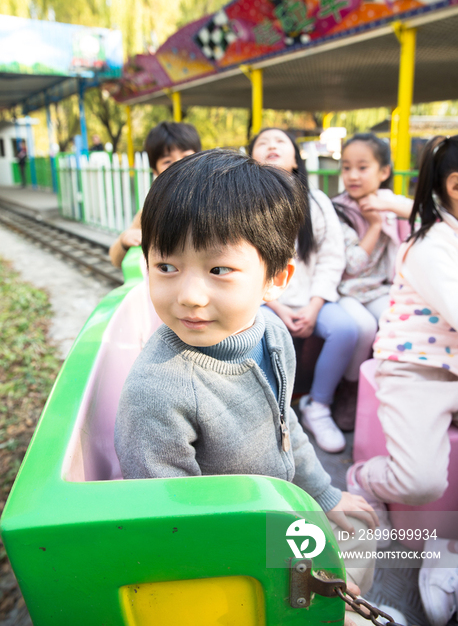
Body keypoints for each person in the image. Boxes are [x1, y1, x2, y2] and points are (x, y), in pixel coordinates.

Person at [115, 149, 380, 598]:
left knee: (364, 538)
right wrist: (302, 569)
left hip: (277, 514)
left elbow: (283, 422)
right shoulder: (158, 392)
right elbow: (177, 529)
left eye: (219, 270)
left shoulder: (272, 332)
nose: (190, 296)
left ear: (276, 277)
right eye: (166, 267)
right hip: (234, 564)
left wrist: (323, 492)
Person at [347, 136, 458, 521]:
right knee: (421, 483)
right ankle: (363, 477)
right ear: (455, 187)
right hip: (417, 371)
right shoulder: (431, 244)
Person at [249, 128, 358, 453]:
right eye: (262, 142)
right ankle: (269, 415)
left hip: (314, 298)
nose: (271, 145)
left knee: (346, 329)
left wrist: (314, 306)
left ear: (296, 158)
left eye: (280, 141)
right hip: (266, 301)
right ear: (249, 158)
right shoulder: (242, 205)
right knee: (264, 332)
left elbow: (331, 258)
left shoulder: (317, 201)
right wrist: (277, 305)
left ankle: (318, 406)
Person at [331, 133, 413, 431]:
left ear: (384, 172)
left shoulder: (393, 205)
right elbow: (351, 267)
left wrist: (391, 209)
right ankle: (349, 391)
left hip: (379, 288)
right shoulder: (337, 209)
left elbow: (430, 221)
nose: (352, 175)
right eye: (346, 167)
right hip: (346, 291)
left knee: (395, 321)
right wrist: (376, 225)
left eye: (362, 167)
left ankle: (395, 394)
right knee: (364, 327)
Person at [109, 121, 201, 268]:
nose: (179, 165)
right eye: (168, 161)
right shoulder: (153, 210)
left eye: (187, 157)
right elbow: (115, 258)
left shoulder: (215, 200)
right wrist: (125, 241)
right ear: (155, 172)